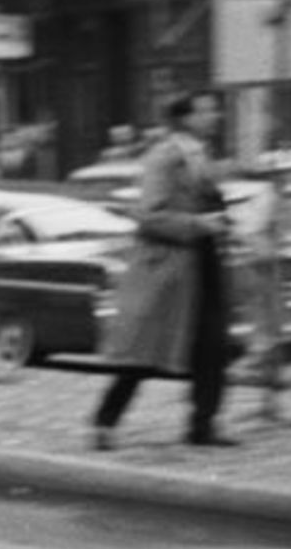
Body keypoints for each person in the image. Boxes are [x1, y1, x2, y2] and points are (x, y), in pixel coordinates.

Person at [92, 90, 240, 449]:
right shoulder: (162, 157)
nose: (215, 117)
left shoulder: (202, 156)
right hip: (170, 268)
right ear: (186, 118)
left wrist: (221, 222)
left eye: (215, 111)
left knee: (213, 347)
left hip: (204, 261)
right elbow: (148, 216)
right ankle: (105, 421)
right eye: (206, 112)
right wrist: (201, 224)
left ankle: (202, 425)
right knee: (145, 352)